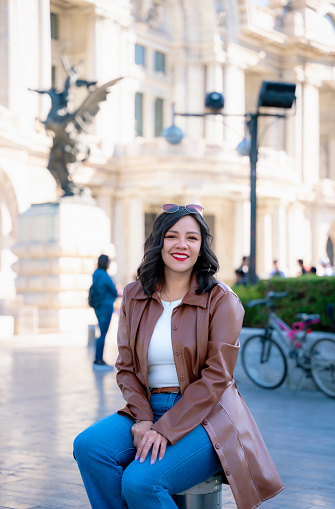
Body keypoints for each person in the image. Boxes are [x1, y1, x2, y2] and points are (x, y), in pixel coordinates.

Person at [73, 204, 284, 509]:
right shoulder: (135, 295)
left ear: (202, 247)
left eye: (192, 238)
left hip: (207, 418)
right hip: (146, 407)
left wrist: (165, 428)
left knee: (141, 482)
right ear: (159, 243)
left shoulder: (222, 300)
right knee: (90, 447)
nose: (181, 244)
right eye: (172, 236)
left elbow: (216, 378)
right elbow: (126, 366)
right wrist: (145, 419)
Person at [92, 254, 118, 369]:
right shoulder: (105, 276)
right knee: (103, 334)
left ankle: (98, 358)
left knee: (101, 333)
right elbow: (114, 291)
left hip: (97, 306)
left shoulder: (95, 274)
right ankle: (99, 360)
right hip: (106, 306)